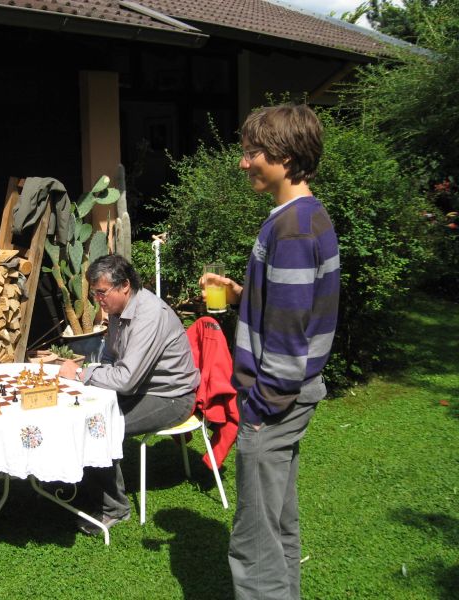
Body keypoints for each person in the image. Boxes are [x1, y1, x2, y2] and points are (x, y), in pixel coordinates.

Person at [200, 103, 340, 600]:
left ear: (284, 156)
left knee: (255, 539)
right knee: (277, 520)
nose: (244, 162)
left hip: (275, 399)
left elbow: (289, 330)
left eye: (253, 152)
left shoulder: (294, 229)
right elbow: (288, 306)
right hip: (288, 393)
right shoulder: (300, 218)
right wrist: (242, 296)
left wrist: (260, 405)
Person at [58, 254, 200, 534]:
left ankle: (114, 509)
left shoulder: (149, 315)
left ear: (124, 285)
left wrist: (81, 374)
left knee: (99, 425)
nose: (97, 299)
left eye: (101, 292)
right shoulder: (117, 309)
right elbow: (111, 357)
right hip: (143, 387)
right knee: (80, 411)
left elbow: (126, 380)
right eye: (95, 293)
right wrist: (95, 378)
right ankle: (82, 484)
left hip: (171, 397)